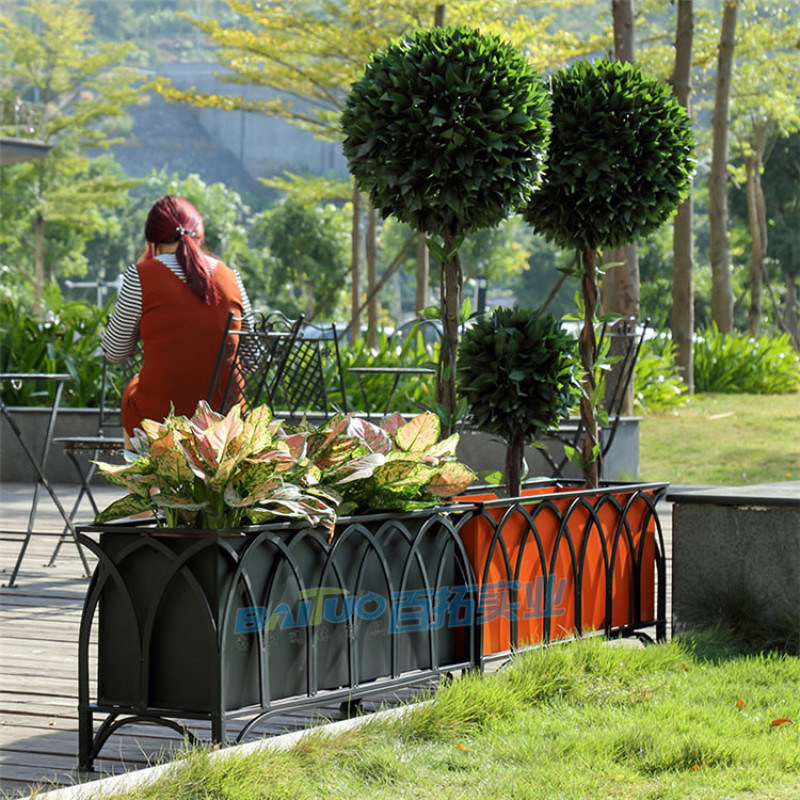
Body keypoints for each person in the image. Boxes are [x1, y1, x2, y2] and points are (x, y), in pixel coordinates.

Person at [101, 195, 253, 445]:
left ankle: (142, 484)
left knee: (133, 390)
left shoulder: (140, 275)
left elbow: (115, 352)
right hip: (225, 421)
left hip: (161, 419)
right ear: (199, 236)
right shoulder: (231, 276)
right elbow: (249, 359)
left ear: (153, 240)